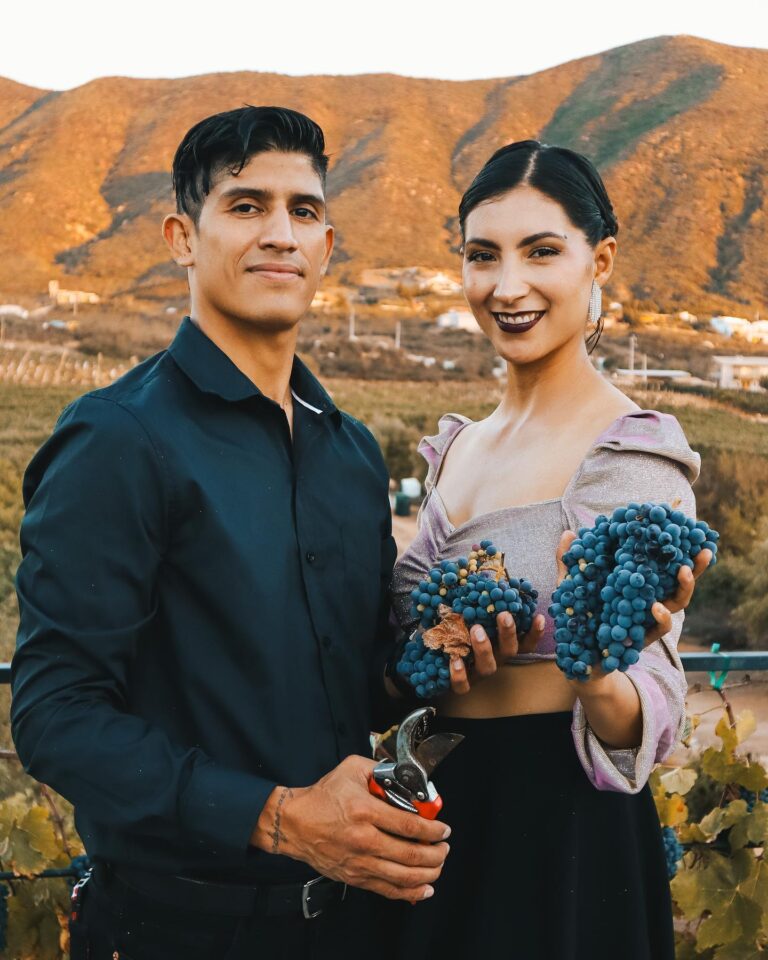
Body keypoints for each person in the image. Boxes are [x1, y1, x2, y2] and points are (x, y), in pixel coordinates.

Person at [10, 105, 449, 960]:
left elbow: (356, 684)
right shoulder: (117, 441)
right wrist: (280, 819)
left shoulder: (352, 452)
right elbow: (54, 714)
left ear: (327, 246)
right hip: (175, 930)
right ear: (182, 237)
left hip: (356, 926)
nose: (281, 233)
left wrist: (432, 659)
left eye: (304, 210)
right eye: (246, 206)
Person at [388, 140, 710, 960]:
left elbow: (652, 699)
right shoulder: (459, 447)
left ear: (599, 260)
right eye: (482, 256)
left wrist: (598, 671)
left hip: (562, 828)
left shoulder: (629, 454)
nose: (508, 285)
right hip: (435, 809)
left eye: (542, 252)